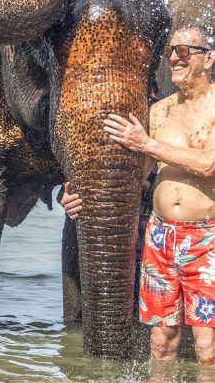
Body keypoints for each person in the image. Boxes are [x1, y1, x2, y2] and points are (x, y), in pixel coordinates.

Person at [60, 24, 215, 364]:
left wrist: (147, 143)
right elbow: (139, 178)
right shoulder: (158, 112)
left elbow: (209, 164)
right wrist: (82, 199)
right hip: (160, 238)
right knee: (161, 342)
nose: (174, 57)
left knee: (206, 346)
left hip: (206, 238)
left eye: (184, 51)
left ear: (209, 59)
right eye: (170, 51)